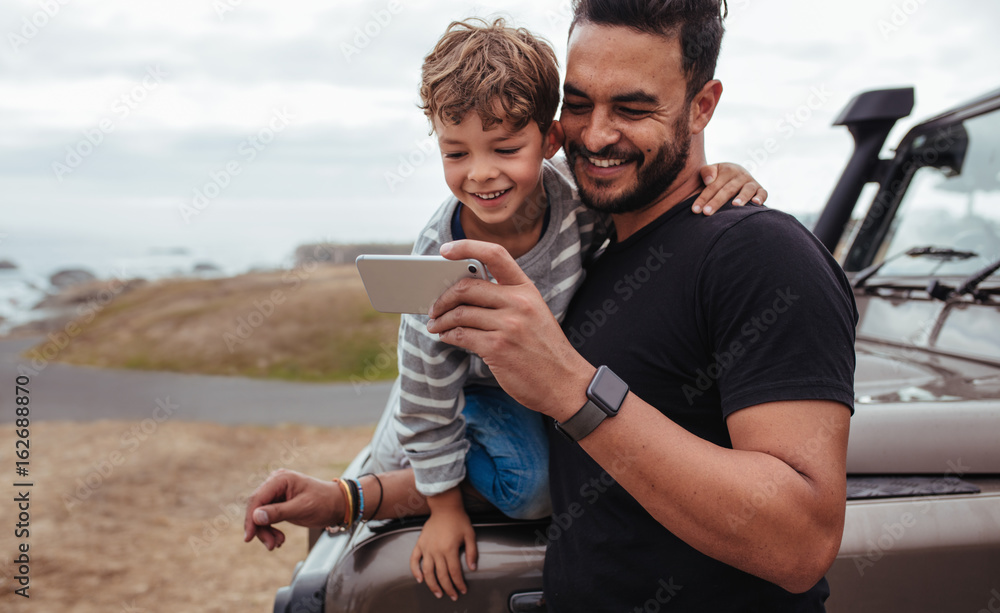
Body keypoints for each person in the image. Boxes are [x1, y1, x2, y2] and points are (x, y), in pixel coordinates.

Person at [244, 14, 771, 605]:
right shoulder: (439, 257)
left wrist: (721, 173)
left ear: (549, 142)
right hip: (458, 393)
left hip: (530, 385)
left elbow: (652, 193)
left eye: (505, 148)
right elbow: (424, 384)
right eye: (455, 152)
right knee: (531, 486)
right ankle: (375, 494)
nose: (481, 172)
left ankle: (361, 494)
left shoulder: (578, 200)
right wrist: (444, 509)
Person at [421, 1, 858, 610]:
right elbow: (568, 471)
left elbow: (801, 542)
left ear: (702, 106)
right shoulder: (590, 251)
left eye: (632, 108)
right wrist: (347, 498)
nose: (596, 135)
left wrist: (575, 389)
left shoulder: (760, 253)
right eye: (577, 105)